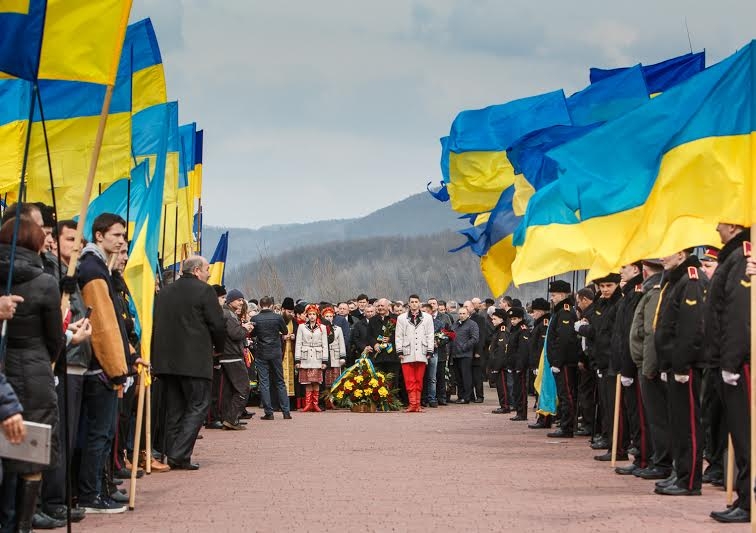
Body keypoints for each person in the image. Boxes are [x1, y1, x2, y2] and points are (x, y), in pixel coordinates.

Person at [0, 218, 64, 531]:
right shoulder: (45, 282)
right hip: (35, 368)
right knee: (32, 449)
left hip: (6, 366)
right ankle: (23, 524)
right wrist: (48, 358)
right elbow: (55, 338)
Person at [77, 213, 133, 512]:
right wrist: (117, 369)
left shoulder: (101, 268)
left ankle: (98, 489)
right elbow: (103, 325)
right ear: (99, 236)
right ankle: (91, 494)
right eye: (116, 235)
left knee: (103, 433)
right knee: (98, 435)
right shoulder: (94, 270)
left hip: (104, 365)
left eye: (123, 236)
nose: (121, 241)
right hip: (100, 367)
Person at [152, 256, 225, 470]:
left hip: (166, 361)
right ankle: (179, 453)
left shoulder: (164, 292)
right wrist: (218, 348)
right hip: (194, 360)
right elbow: (218, 325)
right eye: (207, 269)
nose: (209, 273)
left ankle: (170, 451)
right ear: (196, 271)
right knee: (199, 405)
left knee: (174, 409)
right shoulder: (205, 291)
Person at [653, 248, 707, 496]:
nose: (662, 256)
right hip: (674, 365)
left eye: (668, 251)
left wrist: (683, 365)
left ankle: (690, 480)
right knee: (678, 423)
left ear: (682, 254)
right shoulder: (676, 280)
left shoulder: (691, 279)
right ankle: (681, 472)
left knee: (689, 425)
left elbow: (691, 326)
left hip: (685, 366)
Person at [707, 224, 750, 523]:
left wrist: (731, 362)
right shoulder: (735, 257)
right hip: (731, 360)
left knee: (748, 438)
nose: (717, 227)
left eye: (722, 222)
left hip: (740, 364)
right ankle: (744, 497)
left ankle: (749, 501)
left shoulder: (740, 258)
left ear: (734, 225)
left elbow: (738, 313)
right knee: (741, 436)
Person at [629, 259, 672, 481]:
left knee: (657, 419)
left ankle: (662, 462)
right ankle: (657, 459)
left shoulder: (655, 292)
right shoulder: (651, 291)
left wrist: (649, 367)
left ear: (644, 271)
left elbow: (650, 332)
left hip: (649, 366)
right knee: (650, 417)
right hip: (644, 363)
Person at [613, 262, 650, 476]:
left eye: (625, 266)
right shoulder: (629, 293)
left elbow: (632, 334)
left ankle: (644, 457)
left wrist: (626, 367)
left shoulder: (636, 293)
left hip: (634, 364)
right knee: (634, 413)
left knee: (640, 415)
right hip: (627, 362)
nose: (621, 270)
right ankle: (641, 456)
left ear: (636, 270)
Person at [546, 280, 580, 439]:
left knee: (566, 394)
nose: (551, 298)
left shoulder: (565, 311)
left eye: (553, 295)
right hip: (562, 361)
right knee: (564, 393)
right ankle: (565, 423)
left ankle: (567, 426)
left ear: (562, 295)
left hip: (565, 362)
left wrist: (558, 362)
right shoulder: (560, 311)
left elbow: (564, 338)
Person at [251, 296, 292, 420]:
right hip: (275, 352)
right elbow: (285, 331)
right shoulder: (278, 317)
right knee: (280, 381)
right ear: (271, 305)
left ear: (259, 305)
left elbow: (252, 333)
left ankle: (269, 412)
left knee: (264, 382)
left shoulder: (255, 318)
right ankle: (286, 412)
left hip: (262, 352)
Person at [219, 289, 253, 430]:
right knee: (244, 388)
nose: (241, 303)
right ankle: (232, 418)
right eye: (239, 300)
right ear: (231, 300)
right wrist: (245, 329)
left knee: (229, 390)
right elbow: (235, 334)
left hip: (226, 356)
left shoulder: (226, 313)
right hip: (232, 356)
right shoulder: (228, 315)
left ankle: (227, 418)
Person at [394, 295, 434, 413]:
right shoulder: (401, 318)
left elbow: (430, 335)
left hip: (421, 351)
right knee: (409, 379)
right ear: (409, 303)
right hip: (407, 352)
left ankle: (418, 404)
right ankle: (412, 404)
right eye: (412, 302)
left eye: (416, 302)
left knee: (419, 379)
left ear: (420, 303)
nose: (414, 304)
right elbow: (398, 336)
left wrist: (430, 350)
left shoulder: (427, 317)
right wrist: (399, 350)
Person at [295, 304, 329, 412]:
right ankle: (308, 404)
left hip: (317, 357)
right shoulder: (301, 327)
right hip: (305, 357)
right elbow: (298, 343)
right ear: (307, 315)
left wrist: (325, 360)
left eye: (314, 314)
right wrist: (297, 359)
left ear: (317, 315)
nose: (312, 316)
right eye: (310, 314)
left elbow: (325, 344)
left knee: (316, 381)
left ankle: (315, 404)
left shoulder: (322, 328)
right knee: (307, 382)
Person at [528, 298, 552, 429]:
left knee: (543, 391)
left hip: (541, 362)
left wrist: (537, 364)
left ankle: (544, 418)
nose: (534, 314)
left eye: (536, 311)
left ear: (542, 311)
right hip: (537, 362)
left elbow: (541, 346)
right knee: (539, 391)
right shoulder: (539, 323)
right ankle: (541, 417)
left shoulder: (544, 323)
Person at [506, 307, 530, 421]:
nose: (512, 321)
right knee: (516, 389)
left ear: (520, 318)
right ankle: (519, 411)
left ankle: (522, 412)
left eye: (515, 318)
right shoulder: (514, 329)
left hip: (520, 365)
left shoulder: (522, 329)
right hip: (514, 364)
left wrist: (520, 366)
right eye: (511, 319)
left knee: (521, 390)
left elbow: (523, 350)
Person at [450, 306, 479, 404]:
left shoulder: (472, 324)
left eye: (463, 314)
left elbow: (475, 338)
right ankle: (460, 396)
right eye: (460, 313)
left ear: (468, 314)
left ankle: (467, 397)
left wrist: (464, 347)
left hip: (465, 355)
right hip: (455, 355)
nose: (461, 315)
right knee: (458, 378)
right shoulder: (455, 324)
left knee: (466, 377)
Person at [321, 306, 346, 405]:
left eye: (331, 316)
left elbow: (341, 343)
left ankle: (335, 401)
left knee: (335, 380)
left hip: (335, 356)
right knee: (326, 379)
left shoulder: (338, 329)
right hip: (326, 356)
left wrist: (342, 356)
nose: (329, 318)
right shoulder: (321, 328)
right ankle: (326, 400)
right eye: (326, 316)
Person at [488, 309, 510, 414]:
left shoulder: (502, 330)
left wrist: (497, 366)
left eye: (494, 319)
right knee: (500, 386)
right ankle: (503, 404)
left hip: (501, 365)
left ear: (501, 319)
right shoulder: (497, 330)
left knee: (502, 386)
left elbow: (501, 350)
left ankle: (505, 405)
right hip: (497, 363)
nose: (492, 321)